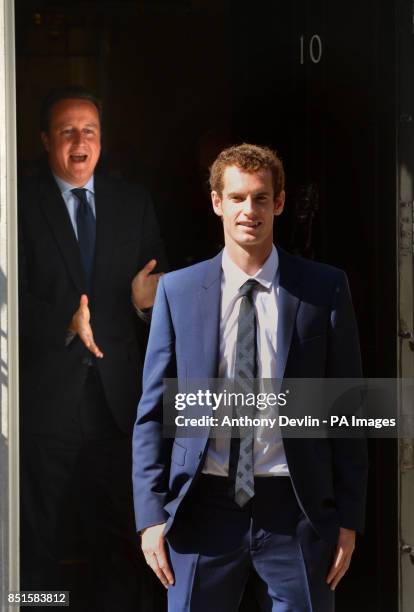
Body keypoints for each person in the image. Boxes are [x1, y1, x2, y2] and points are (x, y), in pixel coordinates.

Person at [132, 143, 368, 611]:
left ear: (279, 203)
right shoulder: (178, 292)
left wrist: (349, 517)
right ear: (217, 202)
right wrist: (150, 516)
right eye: (237, 198)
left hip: (295, 508)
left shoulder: (324, 288)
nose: (249, 210)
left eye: (261, 198)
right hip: (203, 505)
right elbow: (152, 413)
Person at [19, 86, 167, 611]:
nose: (80, 142)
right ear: (44, 141)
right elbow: (5, 293)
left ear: (101, 142)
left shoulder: (133, 203)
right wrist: (62, 321)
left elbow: (154, 301)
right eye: (67, 132)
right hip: (46, 401)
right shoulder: (16, 202)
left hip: (116, 404)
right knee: (36, 537)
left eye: (90, 132)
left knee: (122, 537)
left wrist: (143, 306)